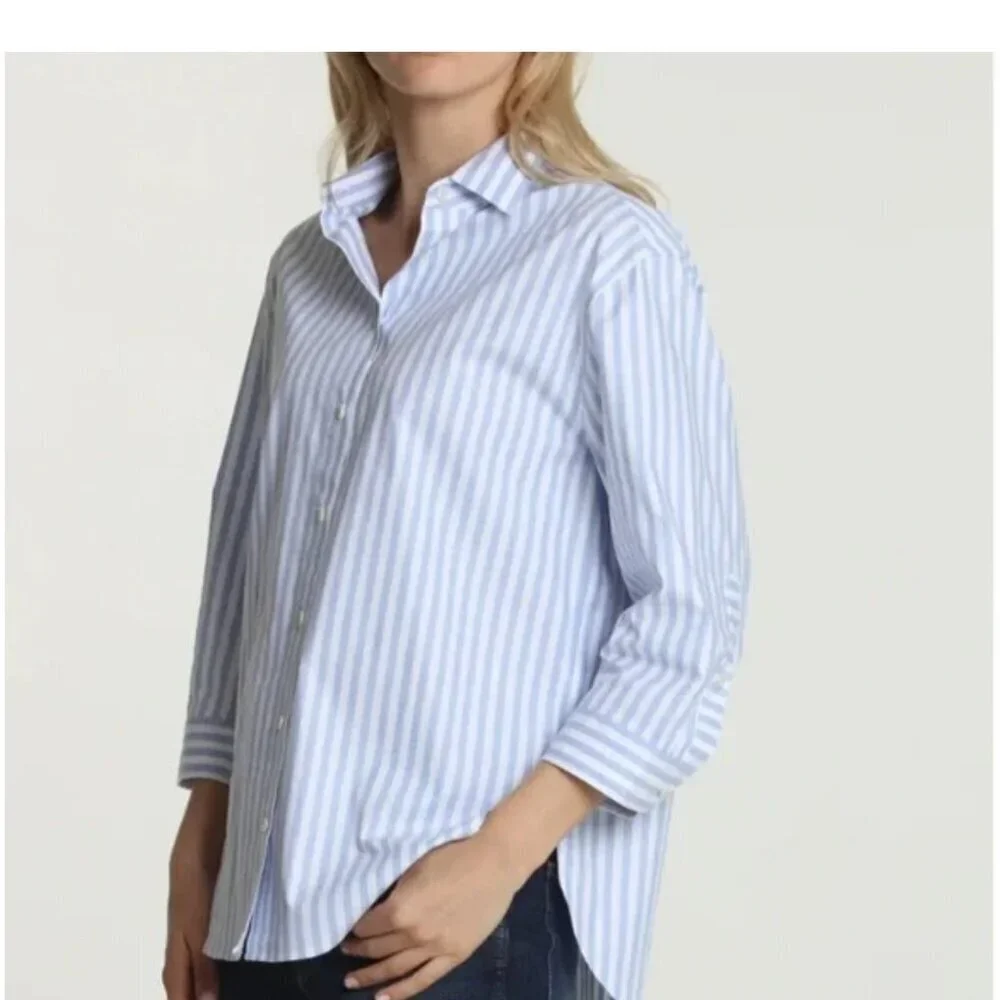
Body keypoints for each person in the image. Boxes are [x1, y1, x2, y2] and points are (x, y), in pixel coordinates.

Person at [163, 52, 751, 1000]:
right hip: (265, 906)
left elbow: (691, 612)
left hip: (472, 917)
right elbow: (244, 573)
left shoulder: (607, 250)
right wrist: (203, 836)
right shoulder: (305, 268)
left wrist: (500, 857)